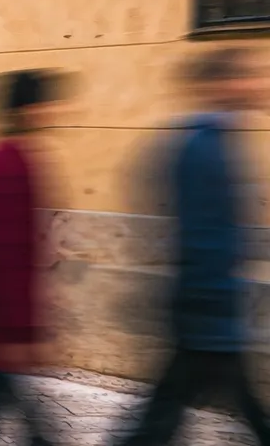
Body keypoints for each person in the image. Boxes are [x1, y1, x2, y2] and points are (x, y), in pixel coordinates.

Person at [116, 48, 270, 446]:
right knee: (174, 410)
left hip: (207, 307)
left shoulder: (211, 141)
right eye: (247, 76)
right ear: (221, 85)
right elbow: (203, 234)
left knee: (167, 409)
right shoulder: (203, 147)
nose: (258, 85)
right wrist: (214, 301)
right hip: (207, 307)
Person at [0, 71, 60, 446]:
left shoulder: (13, 158)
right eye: (46, 104)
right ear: (29, 109)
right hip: (7, 319)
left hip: (7, 318)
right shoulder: (9, 163)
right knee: (5, 404)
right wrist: (12, 327)